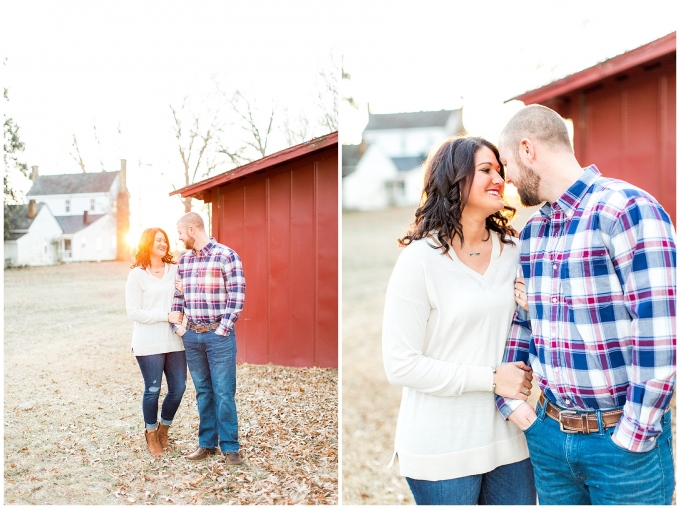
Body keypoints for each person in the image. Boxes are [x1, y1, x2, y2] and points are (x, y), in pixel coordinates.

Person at [495, 104, 676, 505]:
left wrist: (634, 434)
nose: (506, 179)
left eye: (505, 163)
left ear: (528, 149)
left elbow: (661, 330)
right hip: (549, 441)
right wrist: (511, 403)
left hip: (622, 447)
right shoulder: (532, 232)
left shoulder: (628, 210)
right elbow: (522, 322)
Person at [382, 136, 537, 505]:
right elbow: (400, 365)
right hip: (442, 449)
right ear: (454, 179)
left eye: (500, 170)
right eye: (485, 170)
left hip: (512, 443)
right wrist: (490, 379)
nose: (498, 178)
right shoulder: (420, 260)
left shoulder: (516, 251)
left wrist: (538, 307)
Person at [171, 212, 246, 464]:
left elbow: (237, 297)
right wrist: (179, 329)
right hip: (191, 336)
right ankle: (207, 444)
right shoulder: (184, 263)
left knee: (224, 392)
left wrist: (222, 330)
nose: (179, 237)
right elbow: (177, 298)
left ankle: (230, 447)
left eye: (180, 233)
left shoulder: (226, 255)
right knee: (203, 391)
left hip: (219, 336)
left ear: (192, 230)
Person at [126, 227, 186, 458]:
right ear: (147, 244)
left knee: (178, 388)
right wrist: (165, 316)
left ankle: (164, 429)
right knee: (152, 390)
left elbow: (185, 300)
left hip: (174, 339)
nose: (163, 243)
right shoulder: (137, 274)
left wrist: (186, 290)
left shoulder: (175, 270)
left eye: (165, 240)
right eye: (158, 240)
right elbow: (134, 312)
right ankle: (151, 434)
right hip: (147, 341)